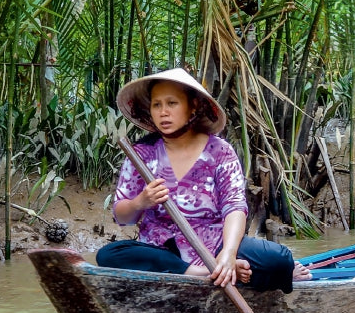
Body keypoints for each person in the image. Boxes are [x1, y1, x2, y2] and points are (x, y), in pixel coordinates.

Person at [96, 67, 309, 293]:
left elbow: (234, 206)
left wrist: (228, 254)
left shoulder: (219, 151)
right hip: (162, 252)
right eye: (157, 104)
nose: (163, 112)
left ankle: (228, 267)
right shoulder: (141, 154)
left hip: (215, 244)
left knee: (280, 260)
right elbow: (122, 216)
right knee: (108, 255)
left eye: (172, 103)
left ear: (193, 106)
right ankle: (207, 273)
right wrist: (141, 202)